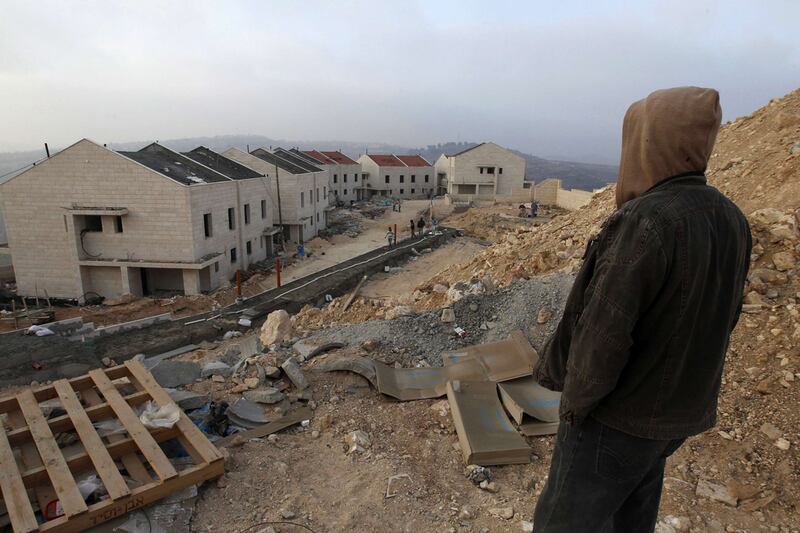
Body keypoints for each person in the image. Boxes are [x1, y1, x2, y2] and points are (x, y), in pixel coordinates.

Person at [531, 87, 751, 533]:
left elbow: (604, 332)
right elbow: (726, 318)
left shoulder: (646, 220)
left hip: (619, 416)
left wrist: (575, 408)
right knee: (632, 515)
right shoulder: (731, 219)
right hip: (674, 416)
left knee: (562, 522)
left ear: (649, 142)